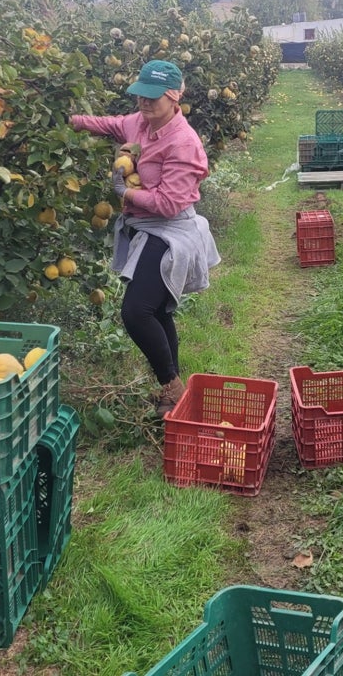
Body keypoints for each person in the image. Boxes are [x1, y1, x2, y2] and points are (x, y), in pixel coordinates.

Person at [69, 60, 221, 418]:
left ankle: (171, 384)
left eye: (153, 98)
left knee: (136, 311)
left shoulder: (183, 143)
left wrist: (125, 192)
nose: (144, 103)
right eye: (140, 95)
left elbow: (169, 203)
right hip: (146, 226)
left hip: (171, 229)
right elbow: (111, 125)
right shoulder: (138, 122)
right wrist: (73, 121)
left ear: (173, 98)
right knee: (155, 309)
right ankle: (173, 391)